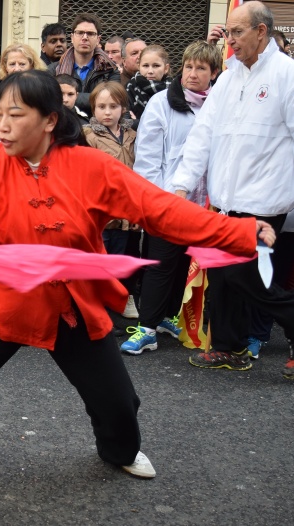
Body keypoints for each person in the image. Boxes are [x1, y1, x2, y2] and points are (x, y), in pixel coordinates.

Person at [0, 69, 276, 526]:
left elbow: (160, 210)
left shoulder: (92, 167)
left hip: (71, 303)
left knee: (116, 401)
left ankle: (120, 450)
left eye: (15, 114)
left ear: (49, 119)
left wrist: (238, 231)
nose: (2, 125)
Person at [172, 0, 294, 379]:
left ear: (262, 31)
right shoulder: (226, 79)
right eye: (228, 32)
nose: (231, 40)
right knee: (224, 276)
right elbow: (202, 136)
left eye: (238, 32)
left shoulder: (287, 74)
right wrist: (180, 186)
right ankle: (229, 347)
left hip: (265, 201)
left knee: (249, 277)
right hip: (226, 200)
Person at [120, 41, 221, 356]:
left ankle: (168, 317)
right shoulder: (162, 102)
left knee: (186, 265)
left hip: (205, 204)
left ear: (214, 73)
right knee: (160, 265)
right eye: (189, 67)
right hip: (168, 201)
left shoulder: (220, 104)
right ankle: (147, 328)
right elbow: (148, 159)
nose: (193, 74)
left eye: (201, 68)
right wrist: (156, 201)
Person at [83, 82, 139, 318]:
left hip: (128, 209)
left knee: (124, 257)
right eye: (101, 106)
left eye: (113, 106)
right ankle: (97, 306)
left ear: (123, 108)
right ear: (93, 109)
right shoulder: (88, 136)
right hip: (102, 210)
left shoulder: (133, 135)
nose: (107, 112)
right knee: (101, 258)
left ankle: (123, 298)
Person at [51, 13, 121, 116]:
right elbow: (49, 100)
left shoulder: (110, 70)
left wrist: (70, 97)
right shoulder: (53, 70)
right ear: (72, 37)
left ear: (98, 39)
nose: (85, 37)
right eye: (80, 33)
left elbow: (113, 101)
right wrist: (96, 98)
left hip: (100, 123)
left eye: (90, 33)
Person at [126, 44, 171, 122]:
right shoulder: (129, 88)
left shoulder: (175, 91)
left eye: (156, 66)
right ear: (139, 66)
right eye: (145, 66)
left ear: (166, 68)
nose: (150, 71)